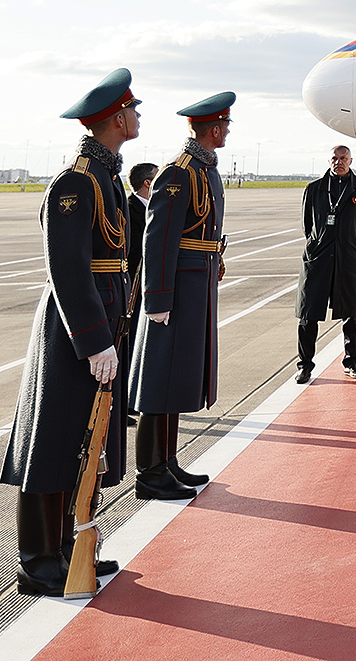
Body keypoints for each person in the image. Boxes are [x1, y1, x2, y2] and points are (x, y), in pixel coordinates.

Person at [3, 69, 139, 595]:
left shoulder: (105, 177)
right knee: (54, 441)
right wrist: (93, 339)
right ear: (116, 119)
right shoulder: (76, 182)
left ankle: (67, 548)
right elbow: (67, 268)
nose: (137, 116)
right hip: (73, 330)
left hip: (100, 322)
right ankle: (38, 561)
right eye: (132, 110)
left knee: (83, 444)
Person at [131, 91, 233, 501]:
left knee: (176, 379)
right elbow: (158, 240)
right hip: (177, 289)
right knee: (160, 380)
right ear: (214, 129)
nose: (227, 131)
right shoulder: (178, 172)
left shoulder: (203, 169)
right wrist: (157, 300)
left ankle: (167, 462)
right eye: (225, 125)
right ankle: (149, 472)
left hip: (196, 283)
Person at [295, 146, 356, 383]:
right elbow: (307, 225)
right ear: (329, 160)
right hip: (318, 259)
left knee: (350, 313)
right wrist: (319, 243)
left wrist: (352, 245)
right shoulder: (315, 189)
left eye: (343, 158)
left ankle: (352, 363)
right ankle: (304, 365)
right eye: (335, 158)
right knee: (308, 313)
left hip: (348, 258)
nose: (338, 162)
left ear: (350, 161)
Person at [123, 162, 157, 427]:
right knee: (127, 344)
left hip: (146, 288)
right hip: (131, 288)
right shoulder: (129, 208)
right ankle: (121, 404)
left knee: (139, 344)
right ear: (147, 183)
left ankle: (131, 399)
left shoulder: (150, 208)